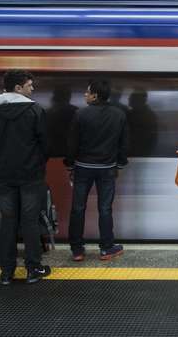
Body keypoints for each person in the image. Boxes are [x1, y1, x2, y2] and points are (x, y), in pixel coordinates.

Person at [0, 70, 50, 285]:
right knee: (30, 221)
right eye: (30, 85)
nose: (33, 89)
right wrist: (37, 165)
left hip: (2, 175)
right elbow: (45, 145)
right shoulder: (35, 110)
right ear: (18, 87)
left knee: (7, 221)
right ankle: (33, 269)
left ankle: (6, 272)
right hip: (30, 175)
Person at [66, 79, 128, 261]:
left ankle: (77, 250)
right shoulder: (119, 115)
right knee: (105, 208)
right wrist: (119, 164)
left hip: (83, 168)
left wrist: (70, 164)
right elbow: (124, 143)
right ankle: (107, 248)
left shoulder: (80, 114)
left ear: (95, 95)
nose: (85, 95)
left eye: (87, 92)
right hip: (107, 169)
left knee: (78, 208)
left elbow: (72, 143)